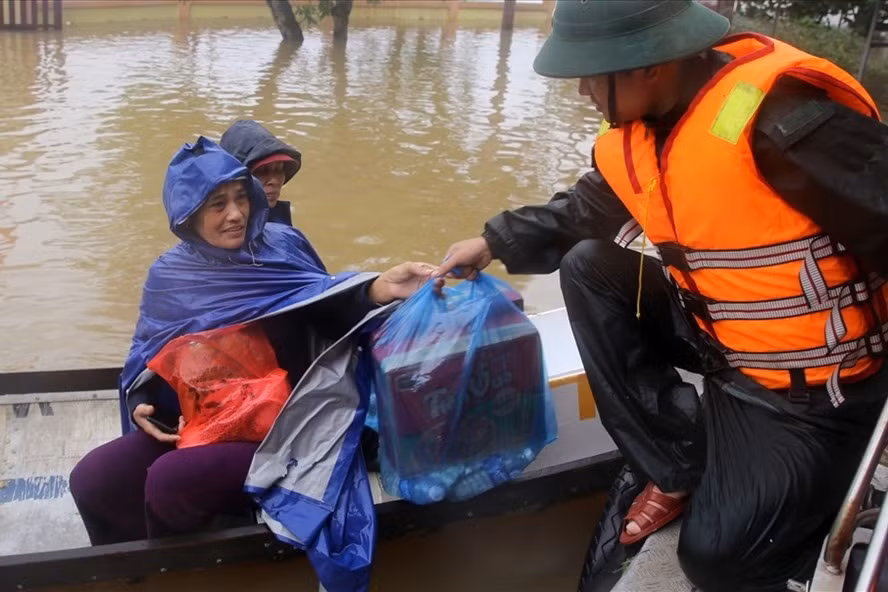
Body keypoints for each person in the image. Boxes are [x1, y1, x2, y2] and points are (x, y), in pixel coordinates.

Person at [437, 1, 888, 590]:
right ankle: (677, 464)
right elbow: (589, 210)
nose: (581, 93)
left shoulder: (788, 120)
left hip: (812, 385)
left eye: (592, 74)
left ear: (650, 65)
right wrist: (493, 241)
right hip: (725, 347)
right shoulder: (646, 128)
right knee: (588, 266)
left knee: (717, 559)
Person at [69, 137, 434, 545]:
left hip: (286, 426)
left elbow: (328, 309)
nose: (236, 214)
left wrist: (376, 288)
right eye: (217, 204)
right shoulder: (169, 274)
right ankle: (124, 570)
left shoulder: (282, 247)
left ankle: (186, 574)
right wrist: (141, 405)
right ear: (187, 214)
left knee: (169, 482)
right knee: (92, 480)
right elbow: (146, 353)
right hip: (201, 420)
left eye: (241, 198)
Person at [219, 119, 300, 225]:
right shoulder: (214, 232)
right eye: (263, 171)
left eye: (279, 169)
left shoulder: (281, 229)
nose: (275, 181)